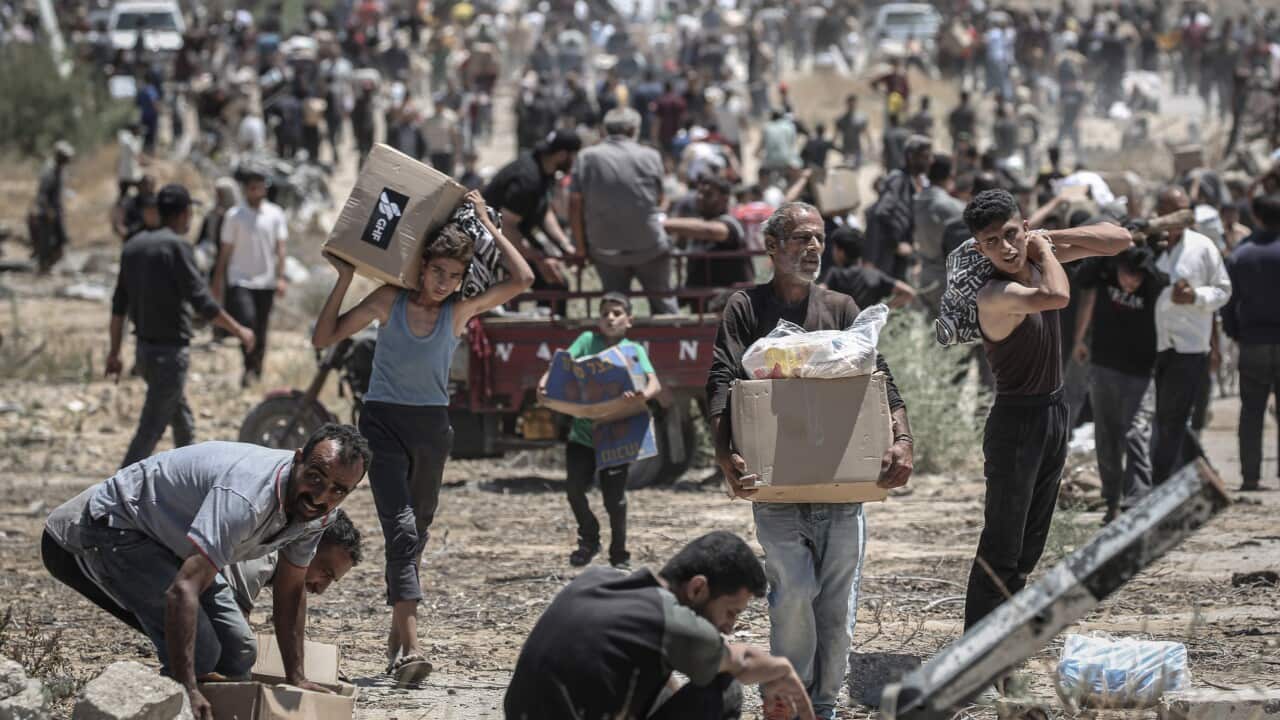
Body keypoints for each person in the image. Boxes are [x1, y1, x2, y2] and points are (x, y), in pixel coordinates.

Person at [311, 190, 534, 684]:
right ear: (422, 265)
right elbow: (323, 337)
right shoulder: (388, 300)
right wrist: (345, 278)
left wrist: (486, 223)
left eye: (455, 276)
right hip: (382, 426)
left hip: (433, 431)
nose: (445, 283)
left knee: (415, 534)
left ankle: (396, 640)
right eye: (438, 272)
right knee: (404, 530)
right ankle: (411, 649)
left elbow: (523, 279)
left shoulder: (458, 313)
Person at [706, 203, 914, 719]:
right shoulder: (745, 308)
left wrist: (902, 438)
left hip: (840, 487)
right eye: (800, 238)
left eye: (819, 238)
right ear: (771, 247)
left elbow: (878, 377)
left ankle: (823, 708)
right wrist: (723, 451)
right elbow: (720, 379)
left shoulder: (842, 307)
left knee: (837, 609)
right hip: (776, 487)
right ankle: (787, 702)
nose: (813, 248)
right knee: (795, 592)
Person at [41, 425, 371, 720]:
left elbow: (290, 588)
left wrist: (296, 677)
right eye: (315, 476)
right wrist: (187, 690)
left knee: (239, 650)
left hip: (172, 545)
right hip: (111, 527)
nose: (320, 496)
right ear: (298, 459)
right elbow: (182, 590)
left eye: (338, 490)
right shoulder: (246, 498)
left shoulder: (321, 514)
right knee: (201, 653)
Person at [961, 189, 1131, 632]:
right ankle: (972, 653)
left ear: (1024, 226)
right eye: (992, 241)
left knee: (1029, 547)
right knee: (1002, 546)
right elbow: (1057, 295)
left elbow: (1119, 239)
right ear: (979, 248)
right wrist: (1042, 249)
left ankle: (1002, 644)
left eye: (1012, 234)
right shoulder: (996, 292)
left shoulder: (1035, 254)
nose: (1006, 248)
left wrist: (1049, 236)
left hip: (1053, 414)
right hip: (1017, 423)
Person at [503, 531, 815, 720]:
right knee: (724, 689)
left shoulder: (599, 580)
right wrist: (783, 670)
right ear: (697, 589)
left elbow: (654, 676)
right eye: (730, 612)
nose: (729, 628)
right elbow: (741, 661)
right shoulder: (666, 618)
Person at [109, 184, 256, 468]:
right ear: (183, 214)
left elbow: (118, 307)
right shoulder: (177, 246)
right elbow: (203, 302)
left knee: (182, 421)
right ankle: (112, 498)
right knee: (150, 430)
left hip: (144, 352)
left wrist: (114, 353)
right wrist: (240, 330)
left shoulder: (134, 246)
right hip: (169, 355)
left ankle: (187, 482)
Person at [536, 293, 659, 569]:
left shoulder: (634, 351)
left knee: (615, 501)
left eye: (617, 313)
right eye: (605, 314)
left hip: (617, 435)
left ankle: (620, 556)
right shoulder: (586, 342)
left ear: (629, 320)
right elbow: (561, 365)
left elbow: (654, 384)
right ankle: (589, 539)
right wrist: (544, 384)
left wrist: (642, 396)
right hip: (582, 435)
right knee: (574, 490)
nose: (610, 318)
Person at [1072, 247, 1167, 522]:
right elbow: (1082, 280)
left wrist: (1144, 261)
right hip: (1104, 366)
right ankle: (1112, 501)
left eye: (1136, 279)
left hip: (1140, 370)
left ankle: (1137, 502)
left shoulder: (1152, 281)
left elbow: (1162, 280)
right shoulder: (1103, 273)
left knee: (1136, 432)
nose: (1130, 284)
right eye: (1127, 277)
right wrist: (1108, 252)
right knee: (1107, 437)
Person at [1150, 187, 1232, 486]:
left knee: (1172, 417)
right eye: (1174, 209)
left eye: (1186, 209)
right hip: (1151, 345)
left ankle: (1161, 483)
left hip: (1188, 347)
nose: (1182, 216)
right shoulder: (1148, 245)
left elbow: (1223, 290)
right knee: (1159, 418)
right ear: (1159, 212)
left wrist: (1195, 297)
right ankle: (1196, 472)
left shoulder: (1203, 247)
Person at [570, 108, 679, 315]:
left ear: (605, 129)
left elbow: (575, 205)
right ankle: (673, 345)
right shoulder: (650, 156)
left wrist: (581, 248)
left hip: (605, 249)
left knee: (614, 307)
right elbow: (659, 198)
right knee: (664, 304)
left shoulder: (586, 157)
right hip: (650, 245)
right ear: (632, 130)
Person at [483, 129, 582, 316]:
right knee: (541, 280)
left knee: (557, 284)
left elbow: (543, 211)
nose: (575, 162)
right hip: (492, 242)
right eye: (573, 156)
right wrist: (539, 259)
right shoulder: (528, 180)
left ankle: (550, 330)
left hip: (514, 235)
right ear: (562, 155)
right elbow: (506, 226)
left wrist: (564, 244)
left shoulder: (545, 170)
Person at [1222, 192, 1280, 491]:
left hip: (1253, 343)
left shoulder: (1241, 255)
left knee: (1252, 412)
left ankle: (1250, 477)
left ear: (1255, 217)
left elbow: (1228, 303)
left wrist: (1235, 333)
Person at [213, 168, 290, 387]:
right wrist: (217, 281)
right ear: (246, 190)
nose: (256, 190)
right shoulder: (234, 216)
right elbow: (225, 251)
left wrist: (281, 277)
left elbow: (281, 248)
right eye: (251, 186)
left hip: (266, 281)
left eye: (259, 185)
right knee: (247, 321)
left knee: (262, 327)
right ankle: (248, 366)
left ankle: (256, 369)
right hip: (240, 280)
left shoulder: (275, 214)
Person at [222, 508, 363, 615]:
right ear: (308, 544)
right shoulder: (261, 560)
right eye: (325, 572)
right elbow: (232, 632)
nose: (320, 589)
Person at [663, 174, 753, 293]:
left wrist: (660, 224)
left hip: (729, 303)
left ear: (725, 199)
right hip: (701, 302)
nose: (700, 198)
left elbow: (712, 231)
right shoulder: (700, 225)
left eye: (708, 194)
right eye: (699, 193)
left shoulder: (730, 223)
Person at [866, 134, 931, 279]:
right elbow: (881, 212)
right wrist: (896, 244)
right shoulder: (897, 180)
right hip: (891, 253)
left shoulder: (916, 181)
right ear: (911, 157)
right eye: (925, 157)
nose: (929, 161)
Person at [913, 153, 967, 314]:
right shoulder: (954, 207)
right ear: (951, 174)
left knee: (932, 333)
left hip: (925, 275)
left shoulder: (915, 200)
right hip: (947, 279)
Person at [823, 226, 917, 309]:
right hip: (867, 328)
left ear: (841, 252)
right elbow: (908, 293)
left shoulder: (835, 274)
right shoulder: (873, 275)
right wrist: (882, 310)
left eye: (835, 248)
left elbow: (818, 294)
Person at [28, 141, 74, 274]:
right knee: (45, 243)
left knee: (62, 241)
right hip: (46, 213)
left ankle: (47, 266)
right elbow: (42, 195)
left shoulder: (61, 170)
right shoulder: (49, 171)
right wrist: (49, 211)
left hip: (57, 213)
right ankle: (43, 268)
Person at [835, 94, 870, 168]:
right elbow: (837, 133)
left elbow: (866, 131)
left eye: (853, 103)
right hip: (846, 148)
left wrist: (870, 144)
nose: (852, 105)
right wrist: (834, 145)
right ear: (847, 104)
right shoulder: (841, 119)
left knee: (857, 169)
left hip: (857, 148)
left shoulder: (861, 118)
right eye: (850, 103)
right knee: (846, 169)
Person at [117, 123, 146, 199]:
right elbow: (136, 154)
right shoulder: (129, 141)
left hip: (125, 171)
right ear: (134, 130)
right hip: (131, 171)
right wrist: (145, 161)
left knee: (124, 192)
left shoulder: (127, 139)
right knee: (140, 190)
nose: (140, 132)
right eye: (138, 130)